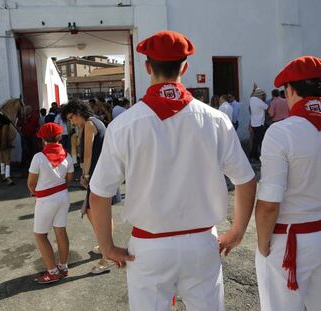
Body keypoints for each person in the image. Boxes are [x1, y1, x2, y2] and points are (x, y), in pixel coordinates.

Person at [88, 30, 256, 311]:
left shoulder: (125, 124)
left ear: (147, 67)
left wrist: (107, 246)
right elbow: (246, 181)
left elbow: (99, 193)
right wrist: (237, 231)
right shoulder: (215, 120)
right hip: (202, 243)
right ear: (185, 67)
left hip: (149, 247)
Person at [255, 56, 321, 311]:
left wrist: (262, 243)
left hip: (290, 240)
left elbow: (269, 203)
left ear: (290, 90)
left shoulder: (282, 132)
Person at [61, 100, 114, 274]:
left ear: (78, 112)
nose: (72, 122)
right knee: (96, 212)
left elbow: (88, 154)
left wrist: (85, 175)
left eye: (71, 118)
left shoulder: (90, 124)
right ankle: (106, 245)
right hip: (101, 174)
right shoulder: (95, 121)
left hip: (97, 175)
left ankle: (108, 255)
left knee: (97, 213)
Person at [27, 122, 74, 284]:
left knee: (40, 235)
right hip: (63, 196)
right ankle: (63, 267)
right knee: (60, 231)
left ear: (42, 138)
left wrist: (35, 193)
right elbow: (69, 179)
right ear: (60, 136)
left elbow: (31, 183)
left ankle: (52, 272)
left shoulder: (38, 157)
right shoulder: (67, 156)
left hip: (46, 200)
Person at [249, 86, 268, 161]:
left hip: (254, 123)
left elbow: (251, 95)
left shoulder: (252, 99)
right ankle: (253, 156)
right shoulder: (259, 101)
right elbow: (267, 107)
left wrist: (253, 90)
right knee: (258, 141)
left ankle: (255, 156)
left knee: (255, 141)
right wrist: (264, 99)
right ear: (260, 95)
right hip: (259, 123)